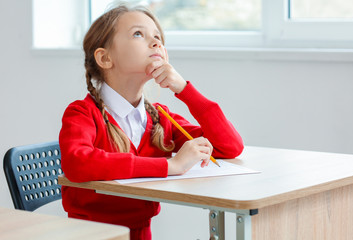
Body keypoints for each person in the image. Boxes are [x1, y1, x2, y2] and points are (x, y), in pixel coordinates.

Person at [59, 2, 244, 240]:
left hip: (142, 233)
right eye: (138, 34)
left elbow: (229, 147)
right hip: (90, 234)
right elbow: (78, 162)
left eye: (158, 37)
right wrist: (170, 166)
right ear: (105, 58)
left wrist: (185, 89)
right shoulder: (82, 113)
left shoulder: (160, 118)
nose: (156, 42)